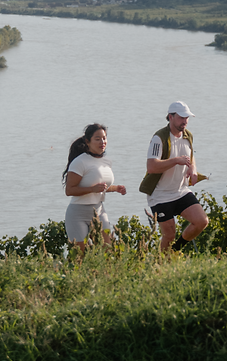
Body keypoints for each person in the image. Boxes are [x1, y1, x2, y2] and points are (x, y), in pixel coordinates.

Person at [142, 100, 209, 253]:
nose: (185, 121)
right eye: (181, 117)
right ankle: (162, 265)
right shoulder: (159, 138)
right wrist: (176, 161)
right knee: (169, 234)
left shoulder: (188, 135)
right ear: (170, 117)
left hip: (181, 191)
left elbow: (190, 157)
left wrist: (193, 170)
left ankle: (175, 251)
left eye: (187, 118)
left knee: (201, 221)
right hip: (160, 195)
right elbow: (151, 167)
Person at [63, 123, 127, 259]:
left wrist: (115, 188)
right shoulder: (80, 162)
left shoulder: (107, 161)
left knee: (108, 251)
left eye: (104, 138)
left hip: (99, 211)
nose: (102, 142)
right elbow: (69, 190)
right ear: (88, 141)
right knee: (79, 257)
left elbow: (100, 188)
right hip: (77, 214)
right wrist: (92, 189)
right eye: (97, 139)